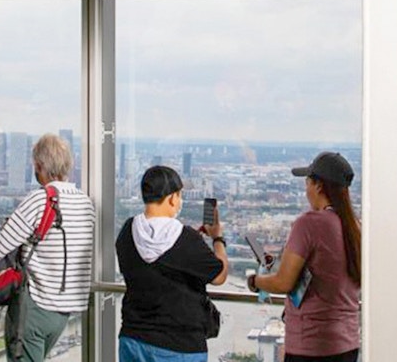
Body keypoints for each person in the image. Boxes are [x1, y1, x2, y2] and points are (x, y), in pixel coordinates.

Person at [0, 134, 96, 362]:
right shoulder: (86, 203)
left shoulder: (39, 200)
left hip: (34, 307)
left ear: (39, 165)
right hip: (64, 311)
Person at [248, 152, 361, 362]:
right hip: (347, 343)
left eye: (308, 182)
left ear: (318, 185)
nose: (305, 189)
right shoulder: (354, 227)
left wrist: (255, 282)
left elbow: (283, 282)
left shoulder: (309, 223)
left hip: (311, 345)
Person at [116, 166, 229, 362]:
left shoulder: (127, 230)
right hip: (180, 344)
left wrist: (192, 240)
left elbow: (153, 262)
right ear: (171, 198)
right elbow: (220, 275)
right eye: (179, 195)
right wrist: (217, 238)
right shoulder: (186, 239)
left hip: (133, 339)